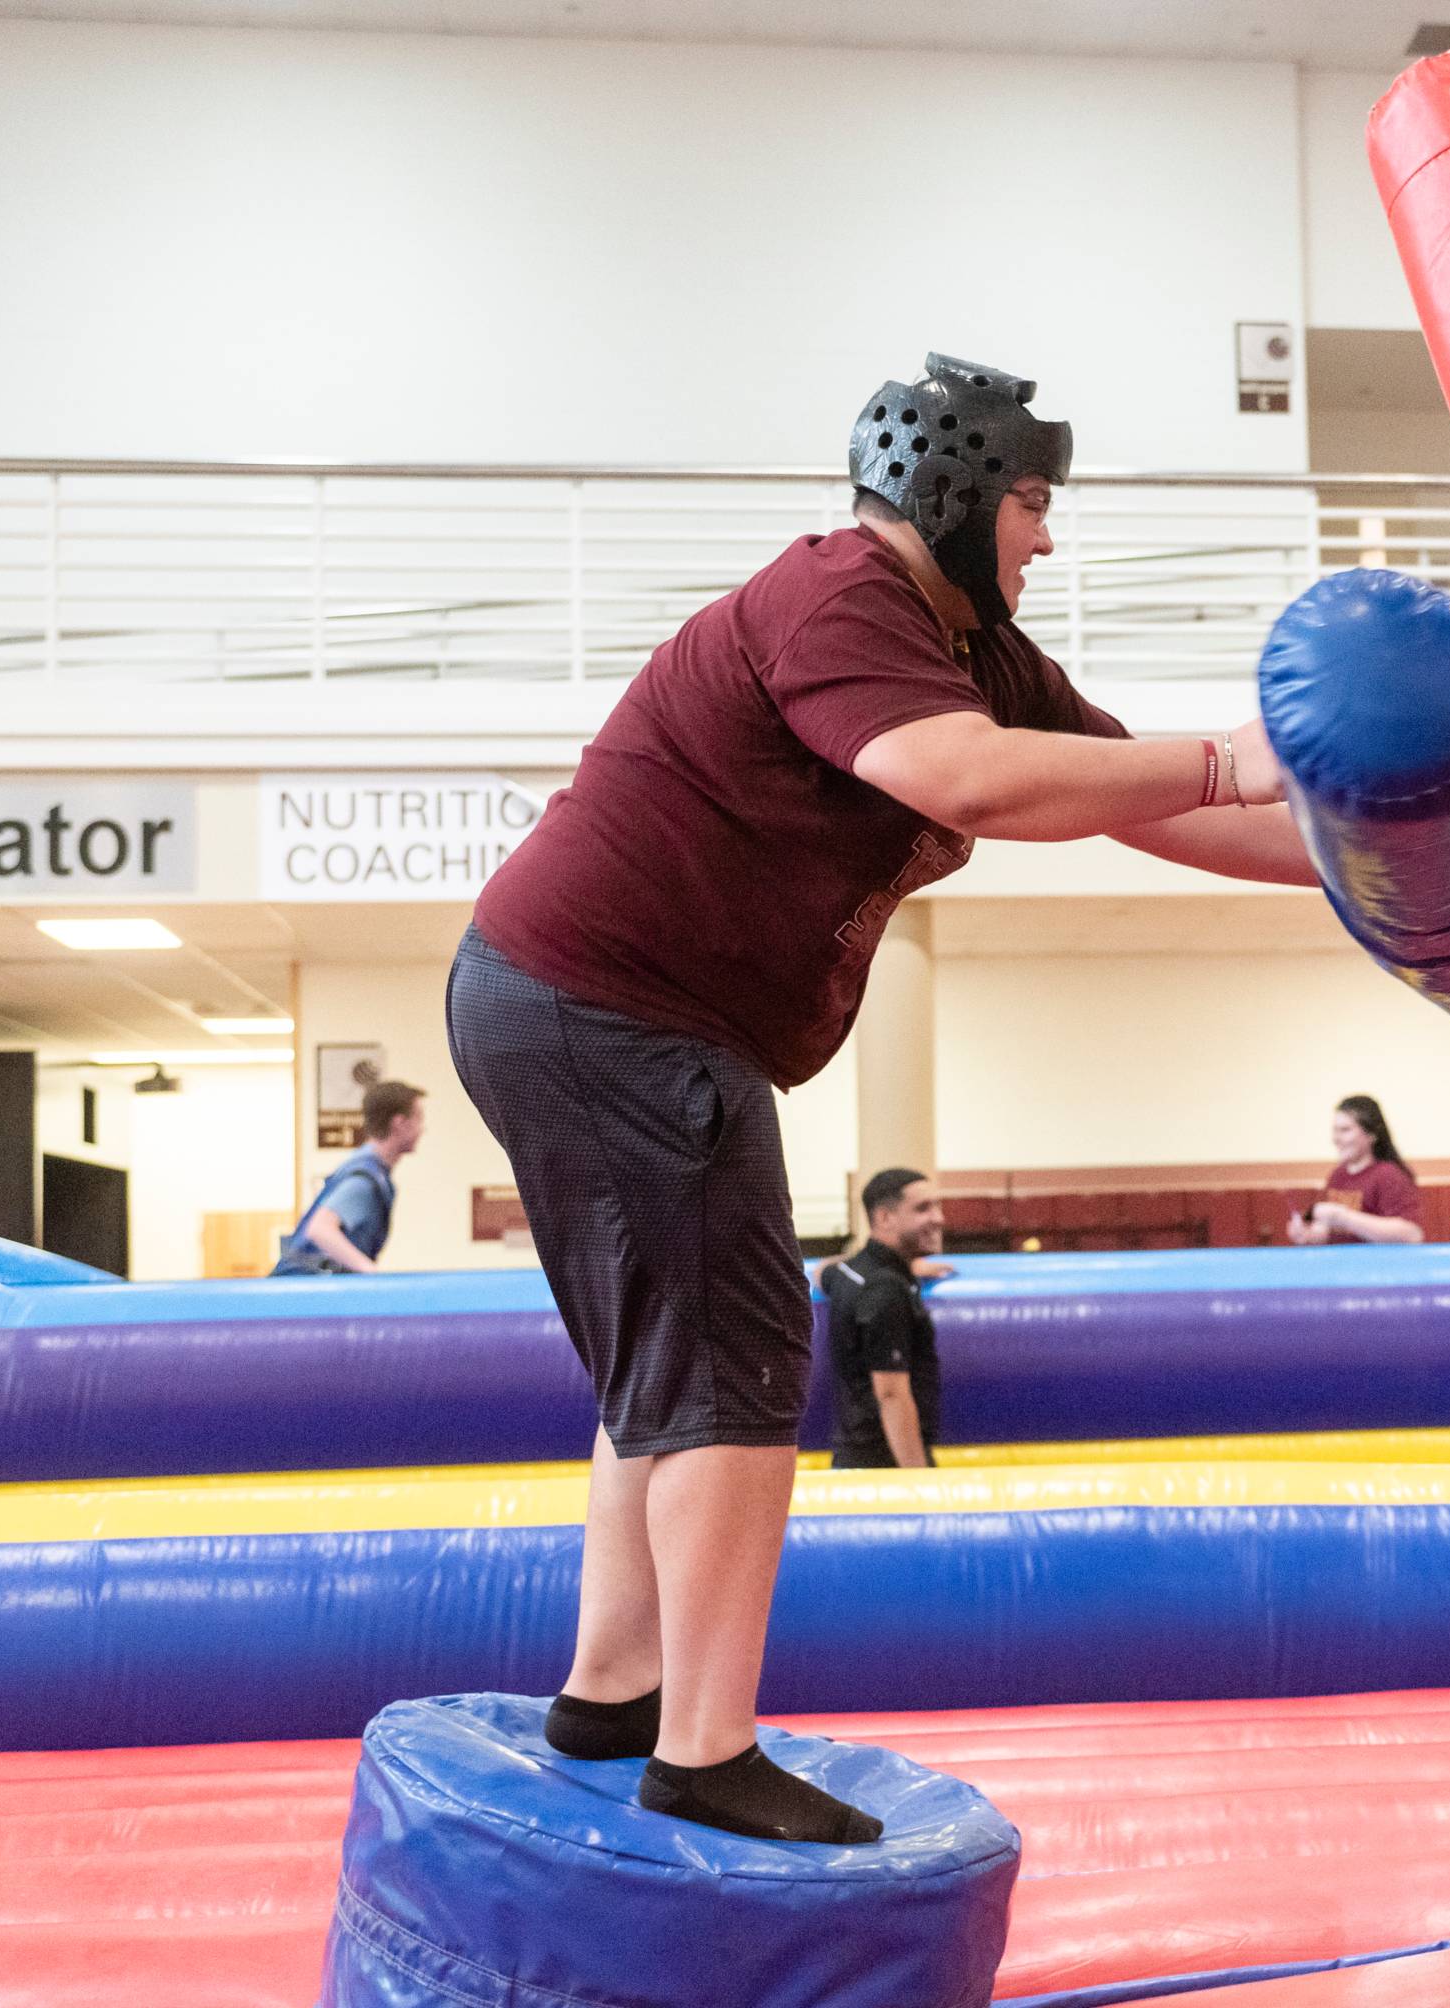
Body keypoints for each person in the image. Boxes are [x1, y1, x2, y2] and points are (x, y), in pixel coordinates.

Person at [447, 354, 1317, 1844]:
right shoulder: (843, 596)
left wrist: (1387, 888)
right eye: (1035, 504)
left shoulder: (972, 645)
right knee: (734, 1353)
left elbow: (1148, 801)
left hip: (565, 1001)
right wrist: (1236, 753)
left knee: (673, 1355)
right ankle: (703, 1747)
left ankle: (615, 1688)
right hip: (615, 1008)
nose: (1047, 538)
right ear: (959, 490)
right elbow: (972, 783)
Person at [821, 1168, 948, 1470]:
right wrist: (919, 1484)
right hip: (885, 1463)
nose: (938, 1218)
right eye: (922, 1208)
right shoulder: (887, 1289)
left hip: (855, 1454)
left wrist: (909, 1267)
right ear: (884, 1218)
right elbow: (891, 1395)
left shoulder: (848, 1273)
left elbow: (824, 1270)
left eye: (937, 1206)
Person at [269, 1080, 424, 1275]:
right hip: (302, 1297)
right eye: (419, 1118)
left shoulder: (367, 1170)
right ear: (399, 1123)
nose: (423, 1129)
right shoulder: (363, 1181)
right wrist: (371, 1272)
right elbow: (319, 1229)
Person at [1287, 1094, 1426, 1245]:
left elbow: (1411, 1234)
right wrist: (1307, 1235)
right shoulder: (1338, 1175)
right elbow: (1327, 1231)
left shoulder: (1388, 1175)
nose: (1336, 1138)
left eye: (1345, 1130)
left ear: (1371, 1134)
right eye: (1335, 1130)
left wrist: (1343, 1218)